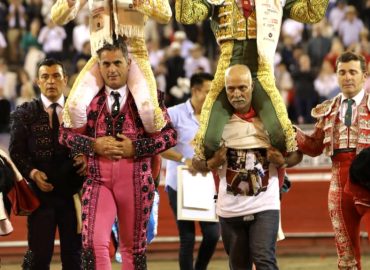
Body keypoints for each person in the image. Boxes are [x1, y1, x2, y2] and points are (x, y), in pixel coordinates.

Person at [58, 40, 177, 269]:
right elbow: (64, 135)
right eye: (106, 64)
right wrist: (94, 146)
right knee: (93, 244)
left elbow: (170, 136)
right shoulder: (88, 101)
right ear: (99, 66)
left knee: (133, 250)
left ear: (128, 63)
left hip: (135, 179)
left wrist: (136, 148)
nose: (112, 69)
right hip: (97, 178)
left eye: (117, 63)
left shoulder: (149, 99)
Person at [175, 0, 329, 162]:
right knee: (208, 142)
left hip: (260, 72)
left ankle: (268, 173)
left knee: (282, 137)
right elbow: (187, 15)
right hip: (227, 74)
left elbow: (311, 13)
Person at [193, 65, 301, 270]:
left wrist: (283, 161)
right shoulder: (215, 125)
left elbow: (297, 152)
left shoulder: (272, 121)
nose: (236, 94)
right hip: (229, 208)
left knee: (264, 259)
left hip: (265, 205)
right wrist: (211, 163)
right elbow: (197, 161)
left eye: (242, 87)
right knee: (238, 265)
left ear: (253, 88)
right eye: (231, 89)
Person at [51, 0, 172, 133]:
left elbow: (166, 14)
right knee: (74, 107)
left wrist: (143, 3)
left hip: (135, 54)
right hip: (101, 57)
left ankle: (151, 153)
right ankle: (85, 150)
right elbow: (57, 17)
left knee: (148, 110)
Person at [296, 51, 370, 270]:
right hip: (339, 183)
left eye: (353, 72)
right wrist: (293, 134)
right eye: (342, 72)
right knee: (346, 257)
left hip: (369, 178)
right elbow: (314, 147)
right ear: (336, 76)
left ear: (364, 76)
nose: (347, 77)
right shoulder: (328, 109)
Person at [9, 58, 85, 269]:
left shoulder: (80, 111)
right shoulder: (24, 113)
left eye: (56, 76)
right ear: (37, 81)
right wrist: (33, 173)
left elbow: (93, 143)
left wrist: (87, 158)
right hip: (39, 196)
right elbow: (16, 152)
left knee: (74, 256)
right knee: (39, 255)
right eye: (45, 77)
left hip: (73, 196)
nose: (51, 81)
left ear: (65, 79)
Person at [161, 72, 220, 270]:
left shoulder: (214, 117)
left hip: (204, 181)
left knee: (212, 234)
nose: (211, 96)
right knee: (187, 237)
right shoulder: (174, 113)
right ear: (195, 90)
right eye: (207, 91)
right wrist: (183, 159)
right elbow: (160, 147)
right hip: (179, 182)